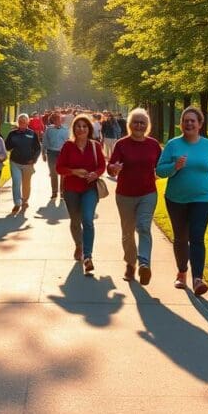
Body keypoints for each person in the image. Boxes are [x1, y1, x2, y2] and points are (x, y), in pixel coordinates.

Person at [155, 106, 208, 296]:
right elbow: (160, 171)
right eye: (185, 120)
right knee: (180, 237)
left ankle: (197, 279)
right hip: (176, 199)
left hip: (203, 199)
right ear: (181, 124)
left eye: (192, 121)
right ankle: (181, 273)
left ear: (200, 124)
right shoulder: (173, 145)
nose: (189, 123)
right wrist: (175, 166)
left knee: (197, 236)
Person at [107, 108, 162, 285]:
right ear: (130, 125)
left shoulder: (153, 144)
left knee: (144, 227)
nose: (139, 125)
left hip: (147, 193)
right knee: (127, 232)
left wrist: (168, 170)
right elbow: (111, 166)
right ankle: (130, 264)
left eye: (142, 123)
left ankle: (144, 264)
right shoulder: (121, 144)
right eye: (136, 122)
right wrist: (114, 169)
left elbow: (162, 166)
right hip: (125, 194)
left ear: (147, 126)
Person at [56, 114, 106, 275]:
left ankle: (88, 256)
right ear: (74, 129)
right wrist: (73, 172)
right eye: (78, 126)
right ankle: (79, 244)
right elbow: (59, 168)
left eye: (85, 126)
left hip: (90, 189)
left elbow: (102, 166)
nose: (81, 129)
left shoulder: (95, 146)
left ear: (89, 129)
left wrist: (96, 174)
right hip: (71, 189)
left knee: (88, 220)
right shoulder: (68, 146)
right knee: (75, 221)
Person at [5, 113, 42, 214]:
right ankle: (17, 203)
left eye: (24, 121)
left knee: (26, 183)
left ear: (27, 122)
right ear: (18, 122)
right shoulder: (12, 134)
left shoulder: (32, 133)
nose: (22, 123)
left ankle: (25, 200)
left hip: (28, 163)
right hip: (15, 162)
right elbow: (7, 147)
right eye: (20, 121)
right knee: (16, 182)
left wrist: (34, 159)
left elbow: (38, 148)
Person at [42, 111, 70, 199]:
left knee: (63, 173)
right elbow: (45, 141)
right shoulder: (48, 130)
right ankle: (54, 192)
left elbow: (69, 142)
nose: (58, 120)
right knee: (53, 173)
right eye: (56, 119)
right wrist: (43, 153)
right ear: (53, 120)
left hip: (63, 153)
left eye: (59, 119)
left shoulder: (66, 129)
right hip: (51, 153)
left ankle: (62, 192)